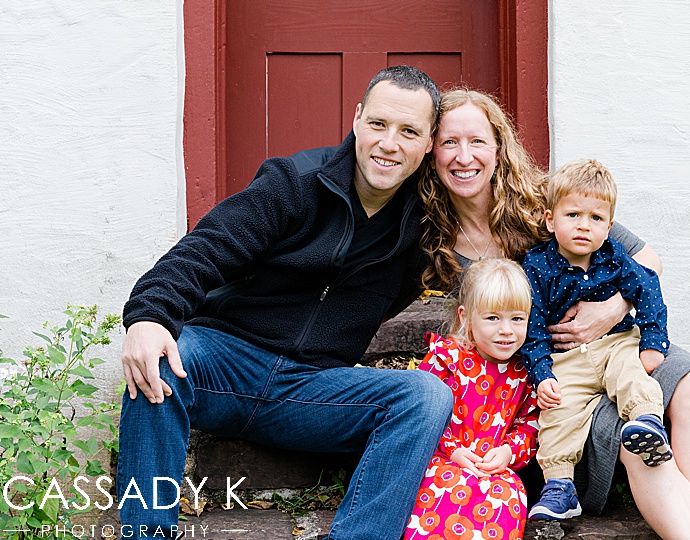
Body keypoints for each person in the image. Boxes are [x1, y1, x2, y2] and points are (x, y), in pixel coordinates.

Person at [117, 66, 454, 540]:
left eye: (409, 131)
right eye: (378, 124)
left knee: (425, 396)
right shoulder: (294, 182)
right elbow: (203, 250)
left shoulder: (423, 229)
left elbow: (519, 230)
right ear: (356, 119)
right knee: (159, 363)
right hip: (224, 362)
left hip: (312, 390)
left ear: (427, 145)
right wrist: (149, 317)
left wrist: (601, 305)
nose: (389, 143)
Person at [419, 87, 690, 539]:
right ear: (431, 150)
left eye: (477, 141)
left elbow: (648, 261)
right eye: (450, 142)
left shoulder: (554, 200)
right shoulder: (429, 230)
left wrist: (609, 309)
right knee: (633, 442)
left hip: (617, 341)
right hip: (552, 376)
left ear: (499, 145)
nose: (465, 156)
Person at [521, 159, 673, 522]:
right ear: (549, 219)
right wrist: (542, 375)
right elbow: (533, 325)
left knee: (631, 374)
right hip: (567, 359)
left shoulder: (615, 259)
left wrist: (653, 341)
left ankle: (648, 423)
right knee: (558, 410)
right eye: (573, 214)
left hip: (616, 343)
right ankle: (560, 487)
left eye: (595, 218)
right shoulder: (537, 266)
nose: (583, 226)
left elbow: (648, 287)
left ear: (609, 226)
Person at [404, 258, 540, 540]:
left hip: (495, 472)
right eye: (493, 318)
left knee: (509, 498)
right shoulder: (447, 358)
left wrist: (508, 453)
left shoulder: (525, 371)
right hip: (443, 460)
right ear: (466, 316)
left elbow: (530, 424)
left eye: (517, 318)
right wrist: (451, 451)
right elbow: (418, 411)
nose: (506, 330)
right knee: (442, 494)